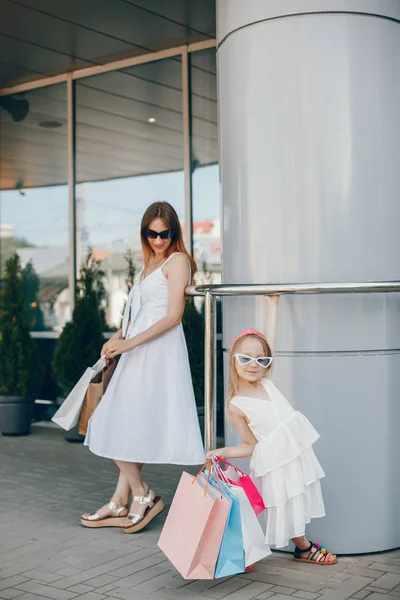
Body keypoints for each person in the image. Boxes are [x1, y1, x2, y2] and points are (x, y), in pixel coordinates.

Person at [81, 201, 205, 533]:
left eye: (165, 234)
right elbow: (136, 314)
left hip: (157, 353)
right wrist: (116, 338)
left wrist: (128, 344)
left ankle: (142, 493)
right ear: (144, 232)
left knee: (114, 420)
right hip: (137, 349)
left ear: (174, 232)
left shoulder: (178, 262)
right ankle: (122, 500)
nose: (158, 240)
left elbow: (172, 317)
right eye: (152, 233)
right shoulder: (148, 264)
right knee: (128, 423)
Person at [207, 295, 337, 565]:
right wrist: (226, 451)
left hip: (294, 454)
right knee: (281, 506)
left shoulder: (266, 381)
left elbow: (269, 342)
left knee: (295, 502)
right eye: (246, 359)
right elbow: (250, 444)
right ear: (233, 360)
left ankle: (287, 548)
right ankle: (299, 548)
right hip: (275, 462)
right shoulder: (236, 405)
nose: (254, 365)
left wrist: (273, 305)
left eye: (260, 360)